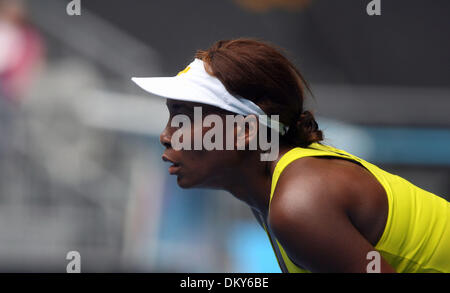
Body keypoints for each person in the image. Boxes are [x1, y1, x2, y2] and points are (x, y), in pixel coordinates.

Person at [131, 38, 450, 273]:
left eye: (185, 117)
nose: (166, 135)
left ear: (246, 131)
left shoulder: (298, 206)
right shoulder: (281, 192)